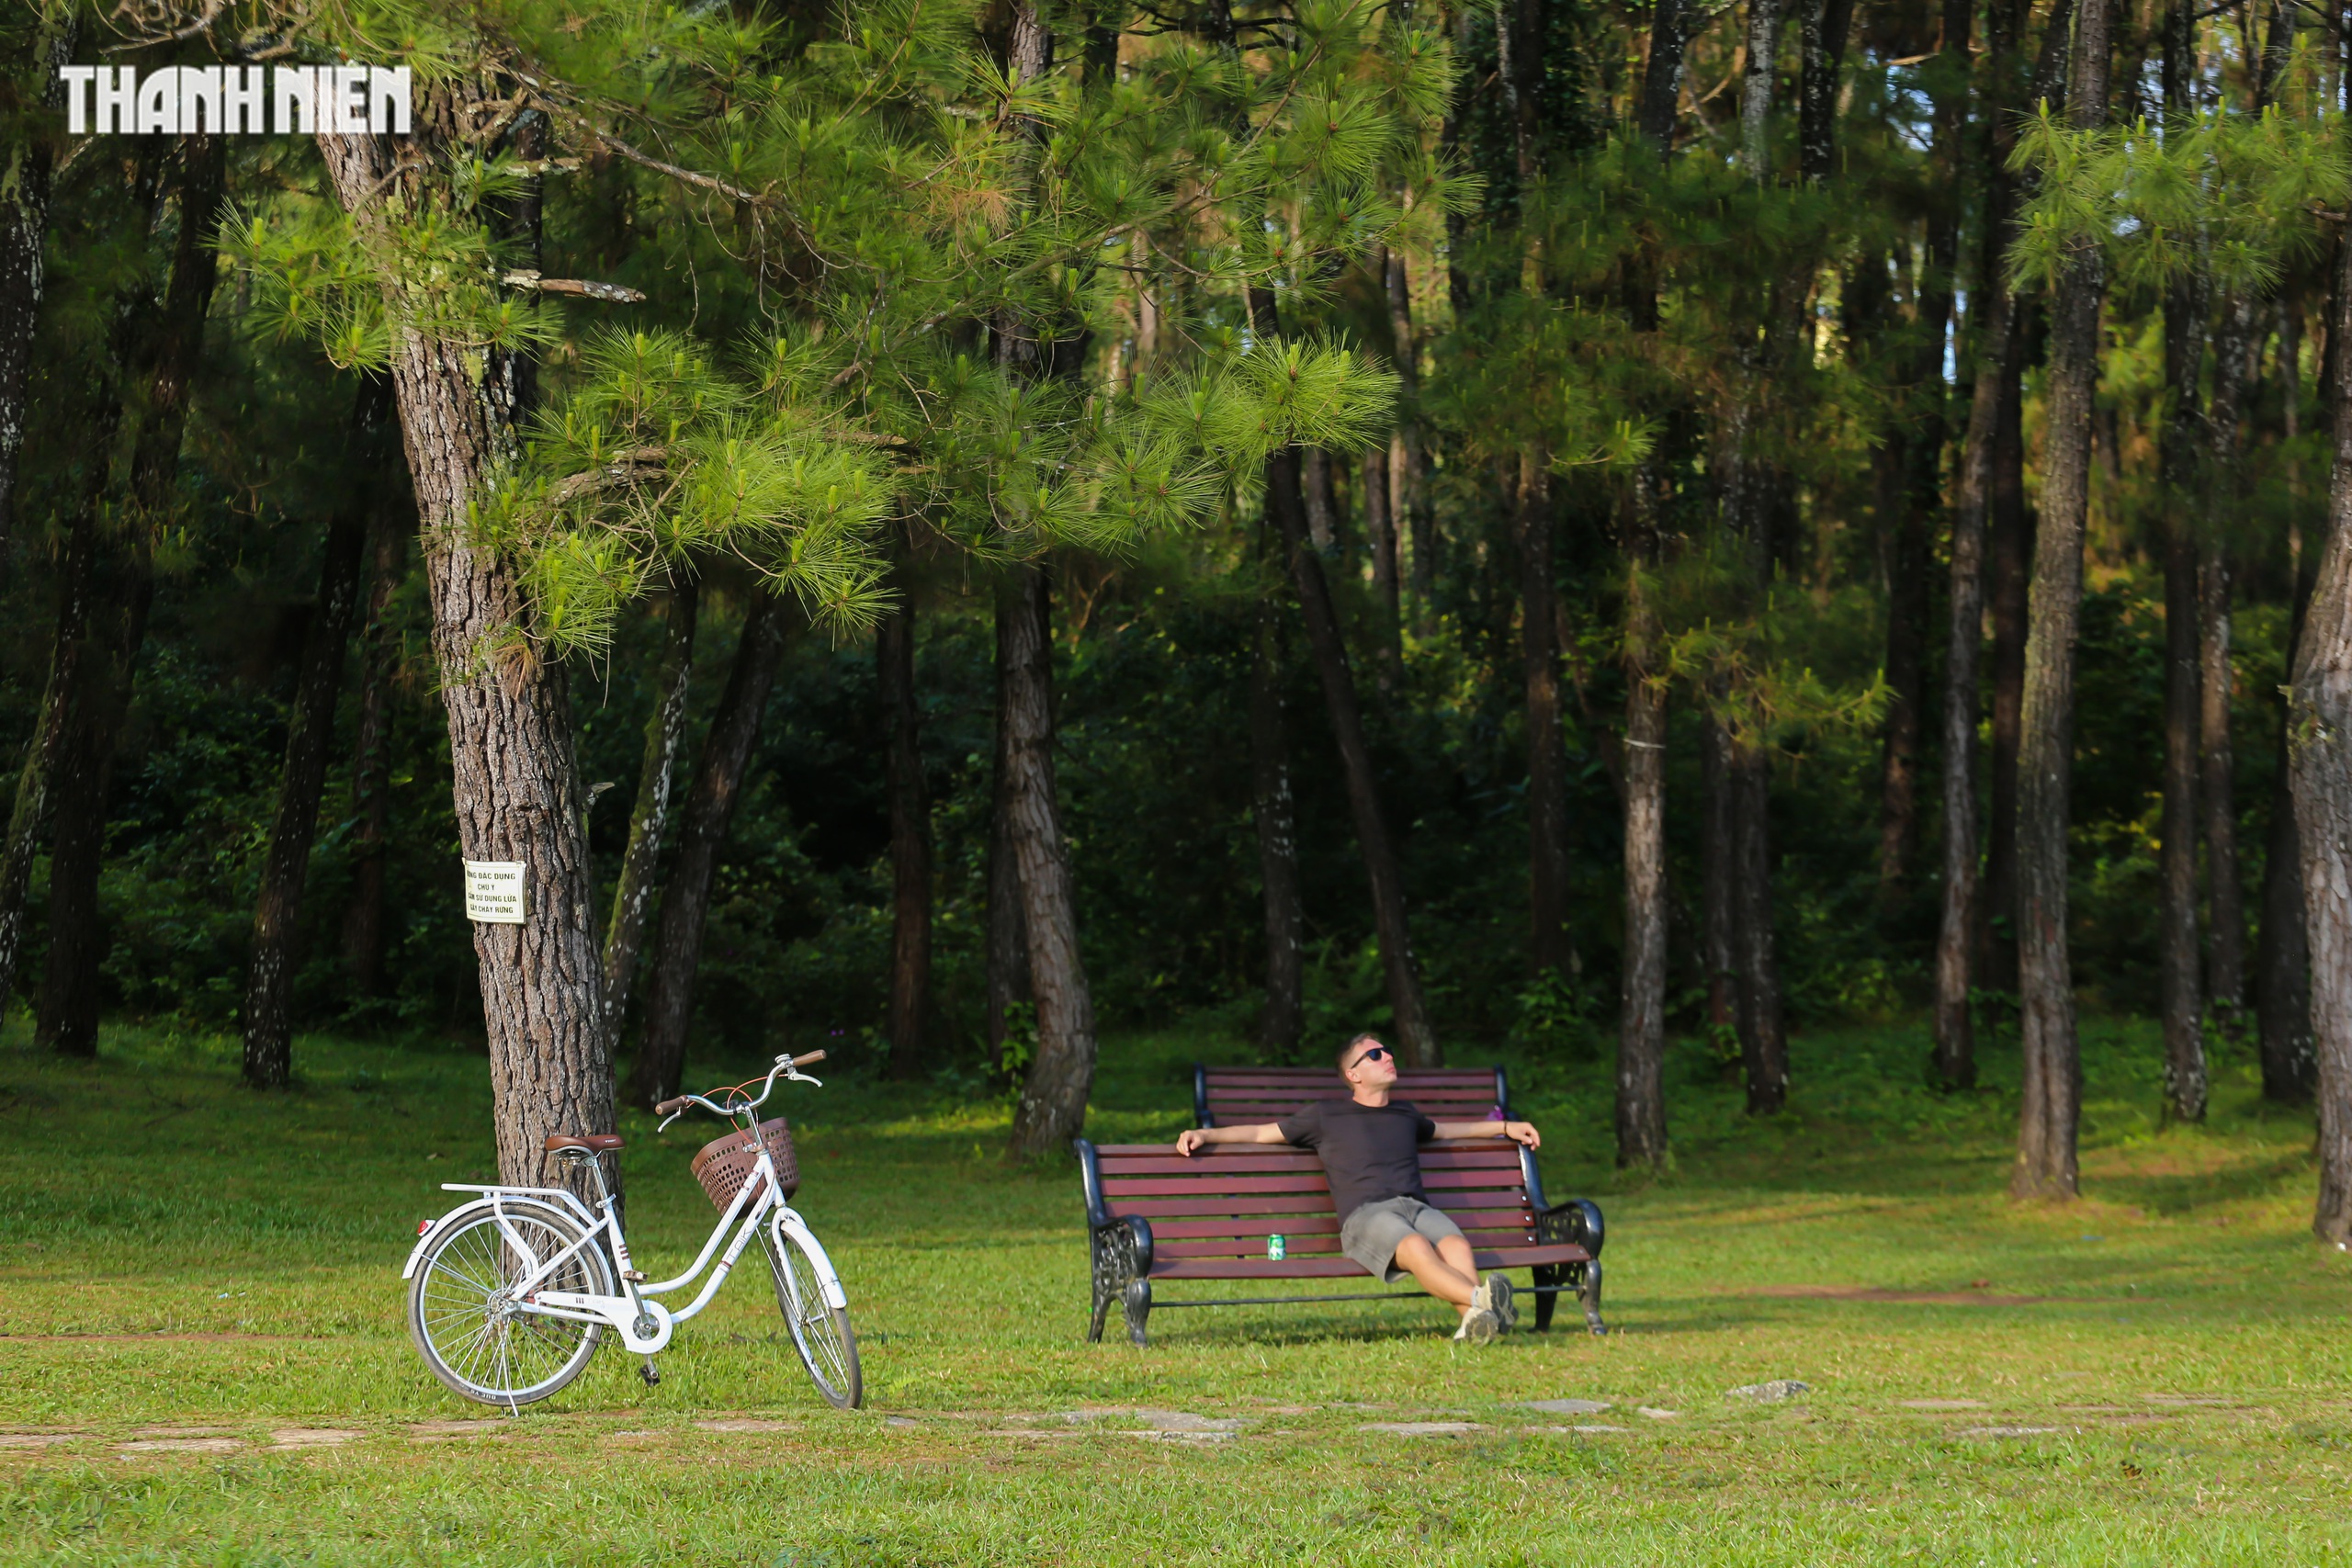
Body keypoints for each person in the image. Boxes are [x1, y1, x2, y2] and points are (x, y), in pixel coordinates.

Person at [1175, 1032, 1542, 1342]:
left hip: (1416, 1207)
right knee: (1414, 1246)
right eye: (1376, 1054)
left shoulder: (1405, 1114)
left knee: (1456, 1244)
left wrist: (1507, 1127)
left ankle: (1473, 1322)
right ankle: (1484, 1299)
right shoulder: (1325, 1115)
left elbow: (1447, 1130)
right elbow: (1258, 1132)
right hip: (1367, 1215)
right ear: (1353, 1074)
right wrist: (1203, 1133)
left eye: (1387, 1051)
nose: (1388, 1057)